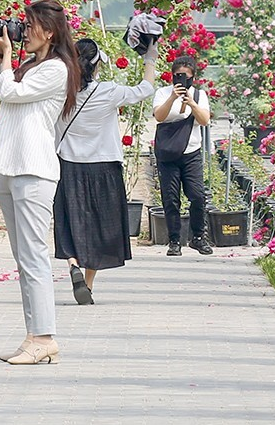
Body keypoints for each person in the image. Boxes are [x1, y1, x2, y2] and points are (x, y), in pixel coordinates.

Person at [0, 0, 81, 365]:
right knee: (23, 257)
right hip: (11, 167)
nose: (23, 30)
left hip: (34, 169)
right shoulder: (28, 65)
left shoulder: (57, 69)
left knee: (35, 255)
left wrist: (8, 55)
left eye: (28, 24)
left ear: (49, 32)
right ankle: (33, 335)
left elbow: (11, 92)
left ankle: (45, 336)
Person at [54, 36, 159, 304]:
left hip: (69, 166)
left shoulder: (61, 91)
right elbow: (146, 88)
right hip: (104, 167)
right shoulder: (109, 91)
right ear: (97, 65)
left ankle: (72, 264)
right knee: (99, 228)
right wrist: (150, 56)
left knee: (70, 221)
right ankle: (87, 285)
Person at [151, 53, 215, 256]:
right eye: (178, 75)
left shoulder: (199, 95)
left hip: (191, 153)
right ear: (172, 76)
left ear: (193, 77)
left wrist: (191, 103)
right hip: (168, 155)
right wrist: (173, 97)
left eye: (186, 76)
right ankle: (174, 241)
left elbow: (204, 120)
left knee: (197, 196)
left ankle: (197, 237)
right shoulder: (163, 93)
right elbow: (159, 117)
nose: (181, 80)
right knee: (170, 199)